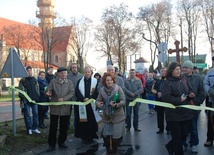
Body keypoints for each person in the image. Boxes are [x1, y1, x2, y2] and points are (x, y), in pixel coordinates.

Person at [161, 62, 195, 155]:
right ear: (171, 70)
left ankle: (170, 146)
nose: (179, 71)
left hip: (185, 113)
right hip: (173, 114)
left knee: (184, 134)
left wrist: (191, 95)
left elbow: (190, 90)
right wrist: (179, 99)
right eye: (176, 69)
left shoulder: (184, 79)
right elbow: (165, 97)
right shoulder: (167, 82)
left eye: (179, 69)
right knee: (177, 137)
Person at [46, 67, 74, 152]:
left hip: (65, 108)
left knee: (64, 126)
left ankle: (62, 142)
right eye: (62, 73)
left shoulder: (69, 82)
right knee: (53, 127)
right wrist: (48, 93)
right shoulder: (53, 82)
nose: (64, 75)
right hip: (55, 108)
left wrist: (64, 99)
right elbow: (48, 90)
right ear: (58, 74)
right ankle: (52, 144)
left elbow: (72, 92)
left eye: (65, 73)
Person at [96, 73, 126, 155]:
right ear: (104, 82)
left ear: (113, 81)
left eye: (110, 80)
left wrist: (116, 104)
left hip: (117, 116)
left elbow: (123, 101)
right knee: (105, 135)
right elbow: (98, 100)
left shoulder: (118, 89)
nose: (109, 82)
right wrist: (98, 103)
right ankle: (108, 151)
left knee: (115, 137)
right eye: (107, 80)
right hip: (107, 115)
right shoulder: (102, 90)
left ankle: (114, 152)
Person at [182, 60, 206, 153]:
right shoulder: (180, 78)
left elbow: (202, 93)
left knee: (193, 127)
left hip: (194, 107)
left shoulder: (198, 78)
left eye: (186, 67)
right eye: (183, 67)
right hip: (183, 106)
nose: (184, 69)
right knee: (183, 127)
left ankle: (194, 144)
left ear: (191, 69)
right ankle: (183, 143)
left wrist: (196, 102)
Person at [74, 66, 99, 144]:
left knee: (91, 121)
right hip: (83, 104)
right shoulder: (80, 81)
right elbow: (77, 91)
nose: (87, 73)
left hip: (91, 104)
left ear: (91, 73)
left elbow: (97, 92)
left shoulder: (95, 81)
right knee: (83, 121)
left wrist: (90, 98)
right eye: (86, 72)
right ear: (84, 73)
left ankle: (91, 136)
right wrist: (83, 98)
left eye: (88, 72)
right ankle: (83, 136)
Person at [18, 66, 41, 135]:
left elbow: (37, 88)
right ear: (25, 71)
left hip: (34, 100)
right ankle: (29, 128)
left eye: (30, 71)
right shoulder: (23, 80)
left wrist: (38, 96)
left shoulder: (34, 79)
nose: (29, 72)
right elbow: (21, 91)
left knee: (36, 114)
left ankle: (35, 128)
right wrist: (24, 98)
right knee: (27, 115)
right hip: (26, 101)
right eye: (28, 71)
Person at [151, 67, 169, 134]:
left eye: (164, 71)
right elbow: (152, 89)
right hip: (159, 100)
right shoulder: (157, 80)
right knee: (159, 115)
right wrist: (157, 92)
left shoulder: (170, 80)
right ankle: (160, 128)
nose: (163, 72)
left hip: (167, 101)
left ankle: (168, 129)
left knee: (168, 115)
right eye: (162, 71)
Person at [67, 63, 83, 128]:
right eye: (73, 67)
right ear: (71, 68)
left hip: (77, 97)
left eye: (75, 67)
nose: (74, 69)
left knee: (77, 113)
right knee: (68, 112)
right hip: (69, 97)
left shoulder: (81, 76)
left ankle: (76, 125)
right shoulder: (67, 76)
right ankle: (67, 125)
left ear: (77, 68)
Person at [204, 56, 214, 147]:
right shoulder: (210, 72)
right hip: (212, 100)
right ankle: (209, 139)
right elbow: (206, 83)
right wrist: (209, 92)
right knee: (211, 121)